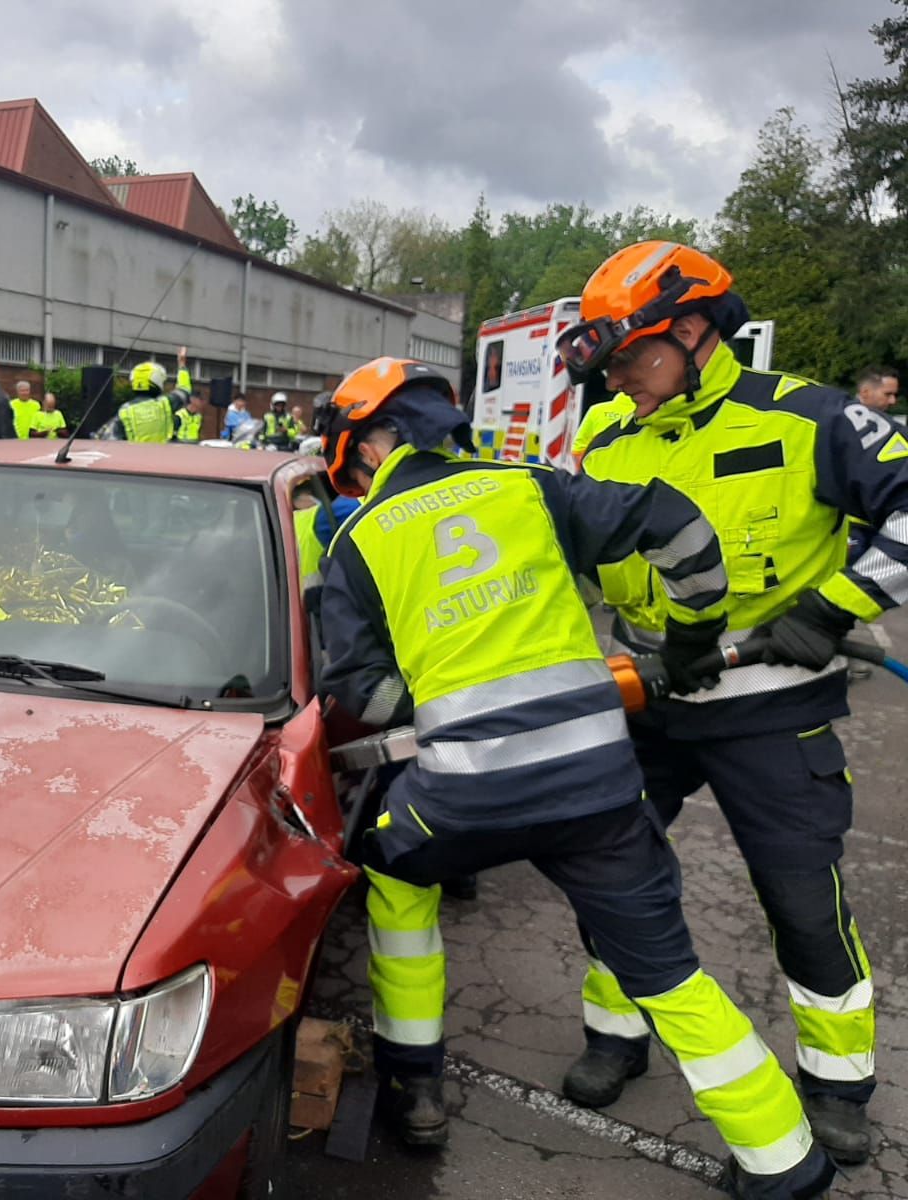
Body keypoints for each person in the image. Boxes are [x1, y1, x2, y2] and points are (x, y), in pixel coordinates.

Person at [318, 356, 834, 1197]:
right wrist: (694, 635)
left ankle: (417, 1088)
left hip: (461, 800)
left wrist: (436, 696)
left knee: (393, 873)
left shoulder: (358, 538)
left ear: (370, 447)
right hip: (597, 788)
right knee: (668, 972)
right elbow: (683, 529)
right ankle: (787, 1162)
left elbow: (361, 695)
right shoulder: (533, 486)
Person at [556, 241, 908, 1166]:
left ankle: (836, 1087)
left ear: (695, 329)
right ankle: (615, 1034)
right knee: (611, 877)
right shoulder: (603, 437)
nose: (620, 379)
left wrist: (835, 608)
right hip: (648, 700)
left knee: (801, 900)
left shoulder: (814, 418)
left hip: (773, 706)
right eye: (610, 365)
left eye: (633, 358)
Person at [571, 393, 634, 469]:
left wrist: (584, 476)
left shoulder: (596, 410)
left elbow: (577, 450)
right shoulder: (648, 416)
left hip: (596, 476)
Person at [855, 365, 901, 429]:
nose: (893, 401)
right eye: (887, 394)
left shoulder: (888, 424)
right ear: (865, 393)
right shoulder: (842, 423)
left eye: (895, 395)